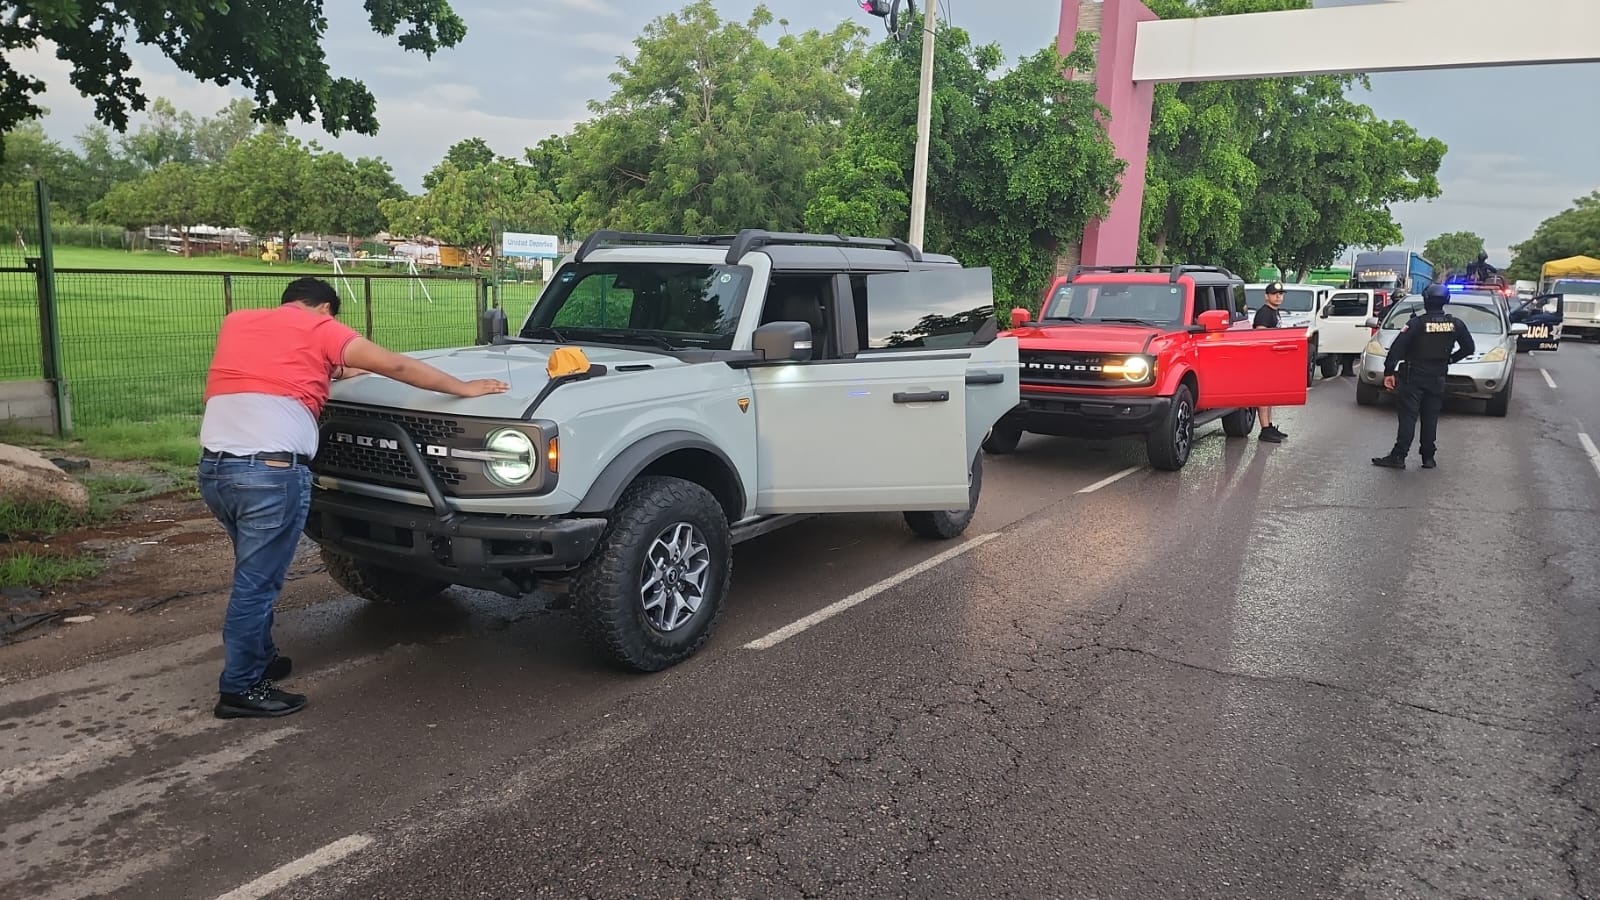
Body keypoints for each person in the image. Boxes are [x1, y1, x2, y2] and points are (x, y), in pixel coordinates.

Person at [199, 277, 509, 719]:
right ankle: (242, 687)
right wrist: (464, 388)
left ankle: (261, 656)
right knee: (258, 584)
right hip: (269, 475)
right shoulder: (322, 329)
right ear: (327, 309)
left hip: (216, 470)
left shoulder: (238, 323)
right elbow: (396, 367)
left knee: (253, 570)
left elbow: (317, 368)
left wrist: (339, 368)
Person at [1370, 283, 1474, 470]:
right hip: (1438, 377)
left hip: (1413, 377)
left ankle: (1399, 456)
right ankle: (1428, 458)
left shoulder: (1416, 323)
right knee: (1430, 417)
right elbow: (1469, 348)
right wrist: (1449, 359)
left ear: (1425, 300)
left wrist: (1389, 372)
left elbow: (1397, 348)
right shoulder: (1455, 324)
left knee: (1408, 417)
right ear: (1446, 301)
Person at [1252, 282, 1287, 443]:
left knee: (1270, 395)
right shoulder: (1264, 313)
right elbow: (1260, 336)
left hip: (1272, 360)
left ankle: (1269, 426)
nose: (1278, 296)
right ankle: (1265, 429)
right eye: (1275, 294)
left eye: (1280, 294)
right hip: (1263, 359)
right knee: (1264, 396)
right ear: (1267, 296)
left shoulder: (1274, 312)